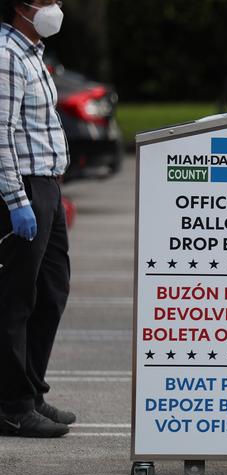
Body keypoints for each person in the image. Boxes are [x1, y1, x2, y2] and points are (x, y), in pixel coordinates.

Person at [0, 0, 75, 438]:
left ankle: (30, 390)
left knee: (51, 290)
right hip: (22, 188)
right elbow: (1, 132)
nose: (55, 7)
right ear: (20, 6)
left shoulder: (32, 53)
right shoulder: (6, 55)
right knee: (16, 298)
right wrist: (15, 198)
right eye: (45, 0)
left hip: (45, 184)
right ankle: (12, 405)